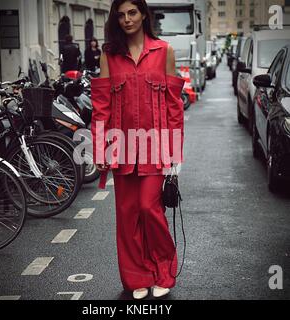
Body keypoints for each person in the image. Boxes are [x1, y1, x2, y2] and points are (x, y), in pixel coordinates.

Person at [90, 0, 184, 300]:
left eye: (132, 13)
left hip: (155, 148)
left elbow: (174, 107)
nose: (127, 19)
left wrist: (175, 154)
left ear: (144, 14)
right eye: (121, 15)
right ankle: (137, 277)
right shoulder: (109, 55)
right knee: (127, 215)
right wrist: (99, 148)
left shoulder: (164, 51)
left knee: (149, 208)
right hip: (122, 147)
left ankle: (163, 271)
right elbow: (101, 107)